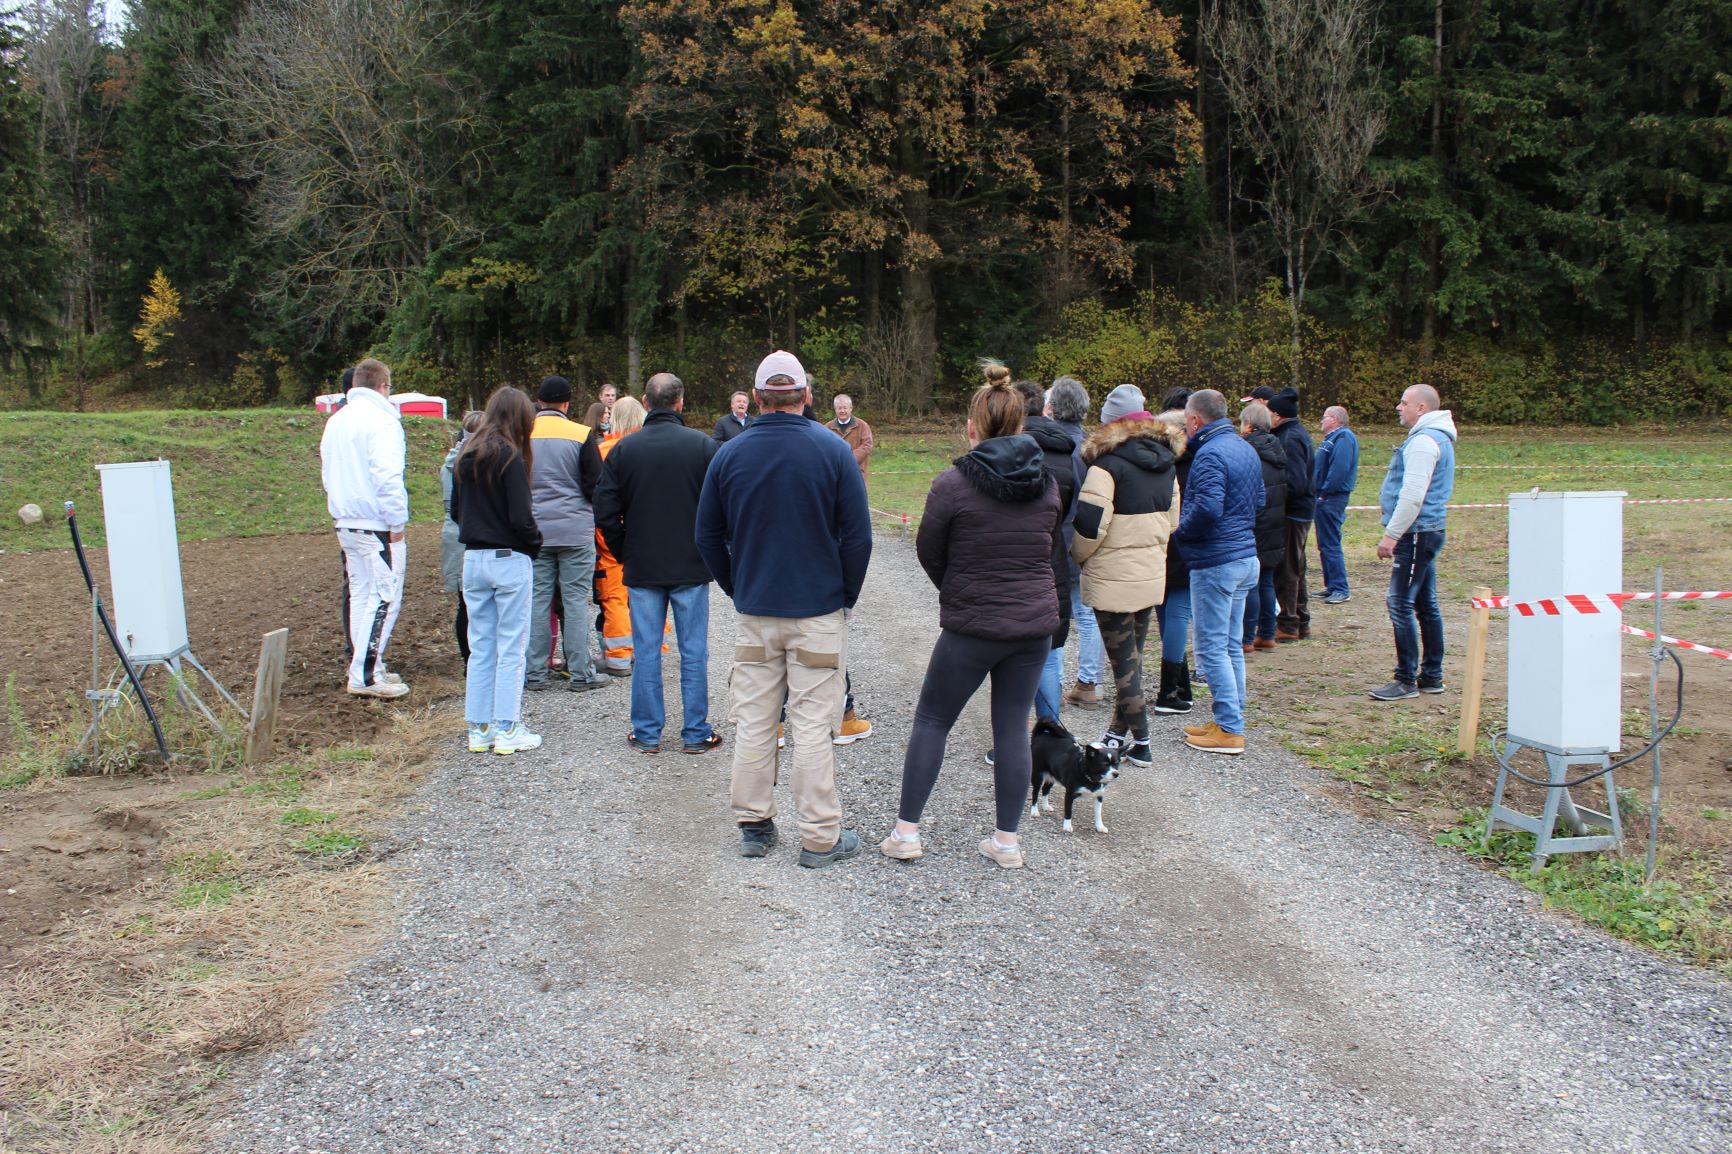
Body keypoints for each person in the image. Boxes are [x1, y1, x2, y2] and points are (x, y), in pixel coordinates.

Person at [695, 350, 872, 868]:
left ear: (756, 399)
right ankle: (819, 836)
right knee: (813, 725)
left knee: (753, 719)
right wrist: (844, 597)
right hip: (816, 612)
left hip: (757, 611)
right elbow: (858, 538)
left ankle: (754, 824)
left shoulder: (729, 455)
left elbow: (707, 535)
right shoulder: (833, 452)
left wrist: (737, 587)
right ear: (807, 396)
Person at [880, 366, 1061, 869]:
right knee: (1011, 727)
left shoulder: (953, 484)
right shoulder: (1046, 485)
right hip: (1031, 626)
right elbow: (1048, 547)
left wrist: (957, 590)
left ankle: (906, 833)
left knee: (933, 720)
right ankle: (1007, 843)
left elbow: (928, 550)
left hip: (973, 625)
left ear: (972, 427)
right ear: (1021, 425)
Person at [593, 372, 722, 754]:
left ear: (646, 404)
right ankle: (696, 733)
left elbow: (604, 511)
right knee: (694, 651)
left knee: (647, 651)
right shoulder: (703, 447)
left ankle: (647, 733)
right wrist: (712, 551)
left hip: (643, 565)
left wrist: (624, 550)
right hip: (690, 564)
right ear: (680, 403)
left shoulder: (623, 450)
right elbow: (722, 508)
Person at [1071, 383, 1185, 768]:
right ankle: (1118, 734)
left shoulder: (1104, 468)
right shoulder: (1167, 464)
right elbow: (1173, 521)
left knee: (1124, 668)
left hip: (1112, 581)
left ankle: (1143, 742)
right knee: (1131, 662)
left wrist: (1079, 559)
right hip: (1150, 576)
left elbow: (1089, 529)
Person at [451, 387, 544, 755]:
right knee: (511, 646)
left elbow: (456, 510)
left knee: (481, 646)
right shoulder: (511, 457)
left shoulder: (466, 452)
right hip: (509, 557)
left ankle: (479, 728)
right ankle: (508, 727)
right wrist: (533, 544)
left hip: (473, 559)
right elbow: (522, 517)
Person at [1170, 389, 1263, 755]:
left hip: (1216, 561)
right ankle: (1228, 718)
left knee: (1210, 648)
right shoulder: (1244, 447)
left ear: (1194, 420)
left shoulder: (1209, 454)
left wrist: (1181, 532)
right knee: (1229, 645)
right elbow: (1260, 501)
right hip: (1243, 557)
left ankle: (1230, 728)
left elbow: (1207, 508)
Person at [320, 357, 410, 699]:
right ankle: (366, 674)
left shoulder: (337, 421)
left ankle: (365, 665)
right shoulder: (383, 422)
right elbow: (388, 477)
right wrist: (396, 522)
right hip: (375, 522)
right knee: (385, 595)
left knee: (361, 595)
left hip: (346, 520)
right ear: (384, 387)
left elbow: (328, 474)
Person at [1370, 384, 1458, 701]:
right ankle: (1431, 676)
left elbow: (1412, 496)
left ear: (1421, 408)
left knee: (1400, 602)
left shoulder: (1423, 442)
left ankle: (1406, 679)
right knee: (1425, 604)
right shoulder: (1433, 438)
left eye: (1404, 402)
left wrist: (1392, 534)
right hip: (1425, 530)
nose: (1398, 407)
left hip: (1416, 533)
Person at [525, 376, 606, 693]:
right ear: (567, 403)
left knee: (538, 601)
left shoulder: (523, 433)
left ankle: (534, 672)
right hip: (574, 531)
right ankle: (581, 672)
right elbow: (594, 486)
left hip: (535, 532)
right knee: (574, 602)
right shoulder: (580, 433)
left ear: (539, 401)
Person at [1050, 377, 1109, 712]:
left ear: (1054, 407)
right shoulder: (1093, 447)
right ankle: (1089, 681)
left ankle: (1054, 683)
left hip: (1059, 539)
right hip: (1086, 538)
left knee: (1056, 614)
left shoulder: (1052, 445)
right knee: (1086, 614)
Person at [592, 396, 645, 678]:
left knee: (614, 595)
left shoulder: (604, 450)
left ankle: (619, 655)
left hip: (611, 534)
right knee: (649, 592)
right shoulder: (650, 447)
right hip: (646, 531)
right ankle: (652, 647)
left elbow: (599, 498)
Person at [1151, 386, 1196, 714]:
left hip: (1163, 540)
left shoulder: (1161, 462)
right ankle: (1177, 685)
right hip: (1184, 541)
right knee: (1175, 613)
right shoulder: (1200, 458)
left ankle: (1174, 687)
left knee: (1170, 613)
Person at [1238, 405, 1289, 654]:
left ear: (1248, 424)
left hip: (1257, 522)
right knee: (1266, 580)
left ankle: (1247, 637)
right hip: (1276, 521)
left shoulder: (1249, 451)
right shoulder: (1277, 449)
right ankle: (1267, 634)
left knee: (1251, 585)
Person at [1268, 387, 1316, 641]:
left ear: (1277, 415)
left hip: (1293, 513)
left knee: (1288, 567)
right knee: (1296, 565)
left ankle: (1288, 622)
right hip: (1299, 511)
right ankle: (1300, 618)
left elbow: (1295, 481)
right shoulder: (1295, 433)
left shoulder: (1289, 439)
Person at [441, 411, 485, 661]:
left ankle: (468, 660)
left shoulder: (447, 462)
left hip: (451, 531)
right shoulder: (477, 461)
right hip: (472, 531)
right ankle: (480, 658)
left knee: (464, 603)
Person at [1313, 404, 1359, 604]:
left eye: (1324, 417)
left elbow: (1339, 468)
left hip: (1332, 498)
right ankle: (1331, 585)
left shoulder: (1344, 438)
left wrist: (1325, 492)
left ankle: (1340, 588)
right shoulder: (1331, 439)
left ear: (1334, 419)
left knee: (1331, 543)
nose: (1321, 421)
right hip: (1324, 497)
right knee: (1324, 543)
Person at [825, 394, 874, 480]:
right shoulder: (827, 428)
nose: (842, 411)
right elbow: (823, 448)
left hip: (857, 472)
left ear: (851, 408)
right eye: (839, 408)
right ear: (835, 409)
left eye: (845, 408)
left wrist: (850, 459)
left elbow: (867, 445)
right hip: (835, 473)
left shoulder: (862, 425)